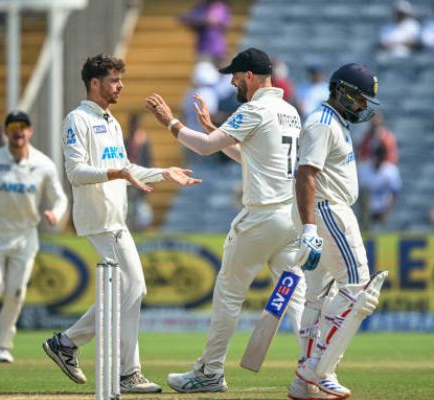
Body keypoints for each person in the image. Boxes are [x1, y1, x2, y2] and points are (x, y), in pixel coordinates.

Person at [145, 47, 307, 395]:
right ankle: (317, 369)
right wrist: (214, 131)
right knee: (297, 301)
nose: (232, 81)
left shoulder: (254, 109)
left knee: (229, 296)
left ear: (250, 76)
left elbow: (203, 147)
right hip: (290, 219)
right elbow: (253, 159)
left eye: (235, 75)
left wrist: (170, 123)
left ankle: (210, 372)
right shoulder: (289, 111)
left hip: (261, 218)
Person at [42, 53, 201, 394]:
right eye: (114, 80)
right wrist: (117, 172)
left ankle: (107, 362)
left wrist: (164, 173)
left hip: (116, 217)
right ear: (95, 83)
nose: (121, 85)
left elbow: (127, 167)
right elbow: (75, 172)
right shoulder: (77, 119)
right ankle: (77, 347)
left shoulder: (111, 121)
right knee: (132, 288)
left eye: (120, 79)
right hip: (98, 218)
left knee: (132, 290)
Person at [292, 63, 383, 399]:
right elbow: (306, 176)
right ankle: (319, 367)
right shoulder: (322, 123)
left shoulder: (335, 122)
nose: (362, 105)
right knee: (359, 289)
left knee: (317, 296)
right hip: (329, 210)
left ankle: (304, 380)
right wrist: (309, 228)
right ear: (342, 91)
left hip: (330, 210)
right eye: (359, 97)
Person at [0, 110, 68, 363]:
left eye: (23, 126)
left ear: (30, 131)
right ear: (6, 132)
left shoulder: (43, 164)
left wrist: (55, 213)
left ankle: (3, 345)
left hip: (25, 235)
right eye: (13, 127)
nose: (18, 131)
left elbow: (60, 198)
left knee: (16, 293)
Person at [358, 144, 401, 230]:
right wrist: (364, 211)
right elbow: (359, 193)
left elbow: (394, 194)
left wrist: (386, 212)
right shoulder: (363, 169)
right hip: (367, 212)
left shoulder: (391, 170)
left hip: (384, 212)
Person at [179, 0, 232, 64]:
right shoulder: (200, 7)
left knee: (222, 71)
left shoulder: (220, 6)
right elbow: (185, 19)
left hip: (219, 50)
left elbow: (214, 20)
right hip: (203, 50)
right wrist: (200, 20)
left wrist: (198, 19)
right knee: (204, 71)